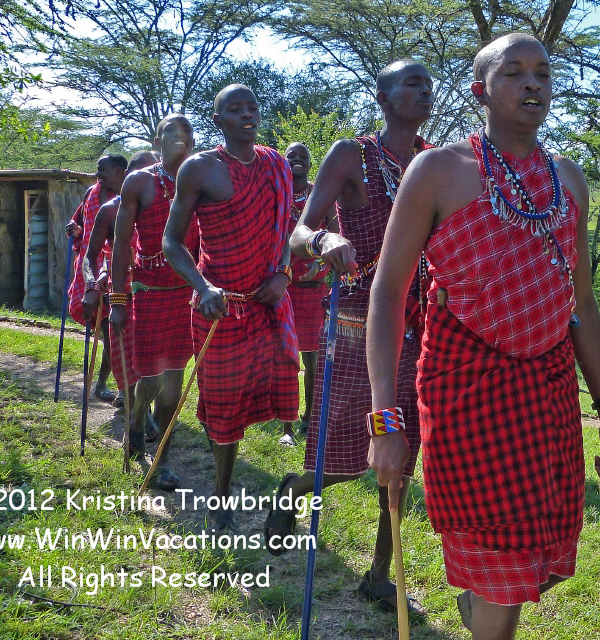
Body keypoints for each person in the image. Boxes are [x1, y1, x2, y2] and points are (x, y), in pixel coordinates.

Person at [366, 34, 600, 640]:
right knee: (500, 573)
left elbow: (582, 304)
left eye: (542, 72)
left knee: (544, 557)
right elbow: (387, 293)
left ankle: (481, 605)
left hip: (549, 395)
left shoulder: (568, 179)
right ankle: (487, 609)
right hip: (467, 392)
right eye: (513, 72)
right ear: (479, 90)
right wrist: (384, 421)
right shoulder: (438, 171)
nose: (532, 82)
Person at [265, 59, 434, 613]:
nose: (424, 90)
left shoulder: (434, 162)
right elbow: (298, 230)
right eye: (411, 83)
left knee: (402, 457)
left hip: (419, 329)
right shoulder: (351, 155)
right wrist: (323, 241)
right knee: (342, 456)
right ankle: (295, 488)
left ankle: (380, 574)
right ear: (382, 98)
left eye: (427, 84)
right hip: (358, 324)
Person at [162, 85, 299, 532]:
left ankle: (243, 480)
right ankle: (221, 498)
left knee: (263, 392)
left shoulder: (276, 165)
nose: (246, 115)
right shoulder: (199, 168)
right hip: (218, 308)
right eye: (234, 109)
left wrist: (283, 274)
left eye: (252, 107)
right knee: (222, 404)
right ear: (217, 119)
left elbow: (286, 232)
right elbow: (171, 242)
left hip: (266, 304)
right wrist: (203, 287)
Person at [110, 115, 197, 491]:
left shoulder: (201, 177)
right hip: (148, 293)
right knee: (150, 378)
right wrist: (117, 299)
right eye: (171, 132)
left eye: (187, 132)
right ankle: (135, 418)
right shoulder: (139, 182)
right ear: (157, 140)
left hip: (187, 294)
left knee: (174, 383)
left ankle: (160, 461)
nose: (180, 137)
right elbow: (121, 243)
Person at [82, 150, 159, 432]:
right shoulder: (110, 210)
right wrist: (93, 284)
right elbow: (91, 256)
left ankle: (146, 413)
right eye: (149, 174)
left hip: (158, 295)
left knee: (156, 363)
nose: (155, 181)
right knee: (126, 362)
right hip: (121, 296)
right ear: (129, 177)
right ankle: (139, 419)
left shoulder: (169, 207)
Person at [278, 141, 333, 446]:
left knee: (312, 358)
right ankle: (286, 425)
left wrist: (323, 261)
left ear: (311, 164)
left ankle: (310, 418)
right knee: (285, 358)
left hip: (314, 290)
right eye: (291, 156)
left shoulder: (321, 195)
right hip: (283, 289)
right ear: (284, 162)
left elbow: (337, 231)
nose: (297, 159)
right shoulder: (277, 193)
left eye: (303, 156)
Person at [66, 153, 128, 403]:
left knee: (117, 331)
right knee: (106, 329)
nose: (97, 174)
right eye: (97, 169)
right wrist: (75, 230)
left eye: (102, 170)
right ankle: (105, 384)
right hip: (90, 267)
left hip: (120, 269)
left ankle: (121, 387)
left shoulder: (130, 197)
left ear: (119, 171)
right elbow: (79, 222)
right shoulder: (91, 193)